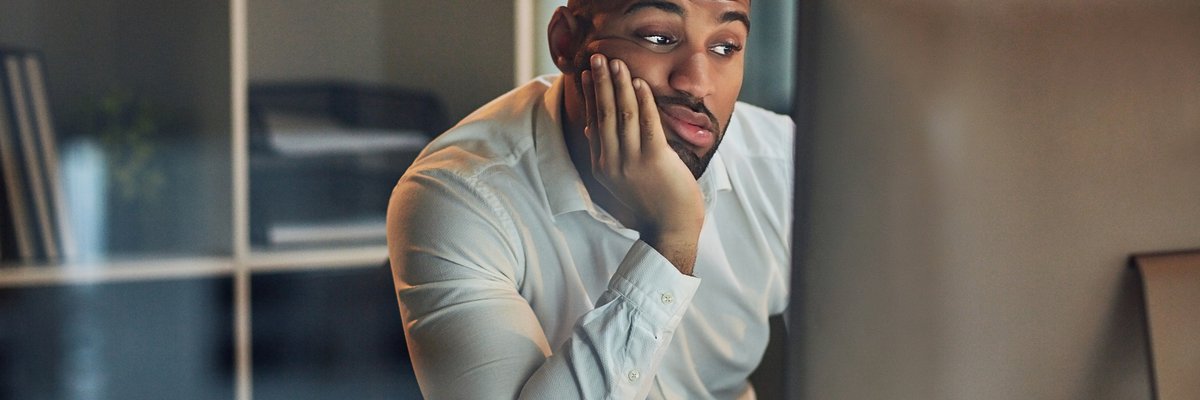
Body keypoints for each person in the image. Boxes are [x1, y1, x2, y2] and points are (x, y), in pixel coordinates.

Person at [386, 0, 793, 398]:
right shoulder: (457, 195)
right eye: (659, 37)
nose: (698, 82)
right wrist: (672, 240)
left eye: (726, 47)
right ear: (566, 43)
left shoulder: (785, 164)